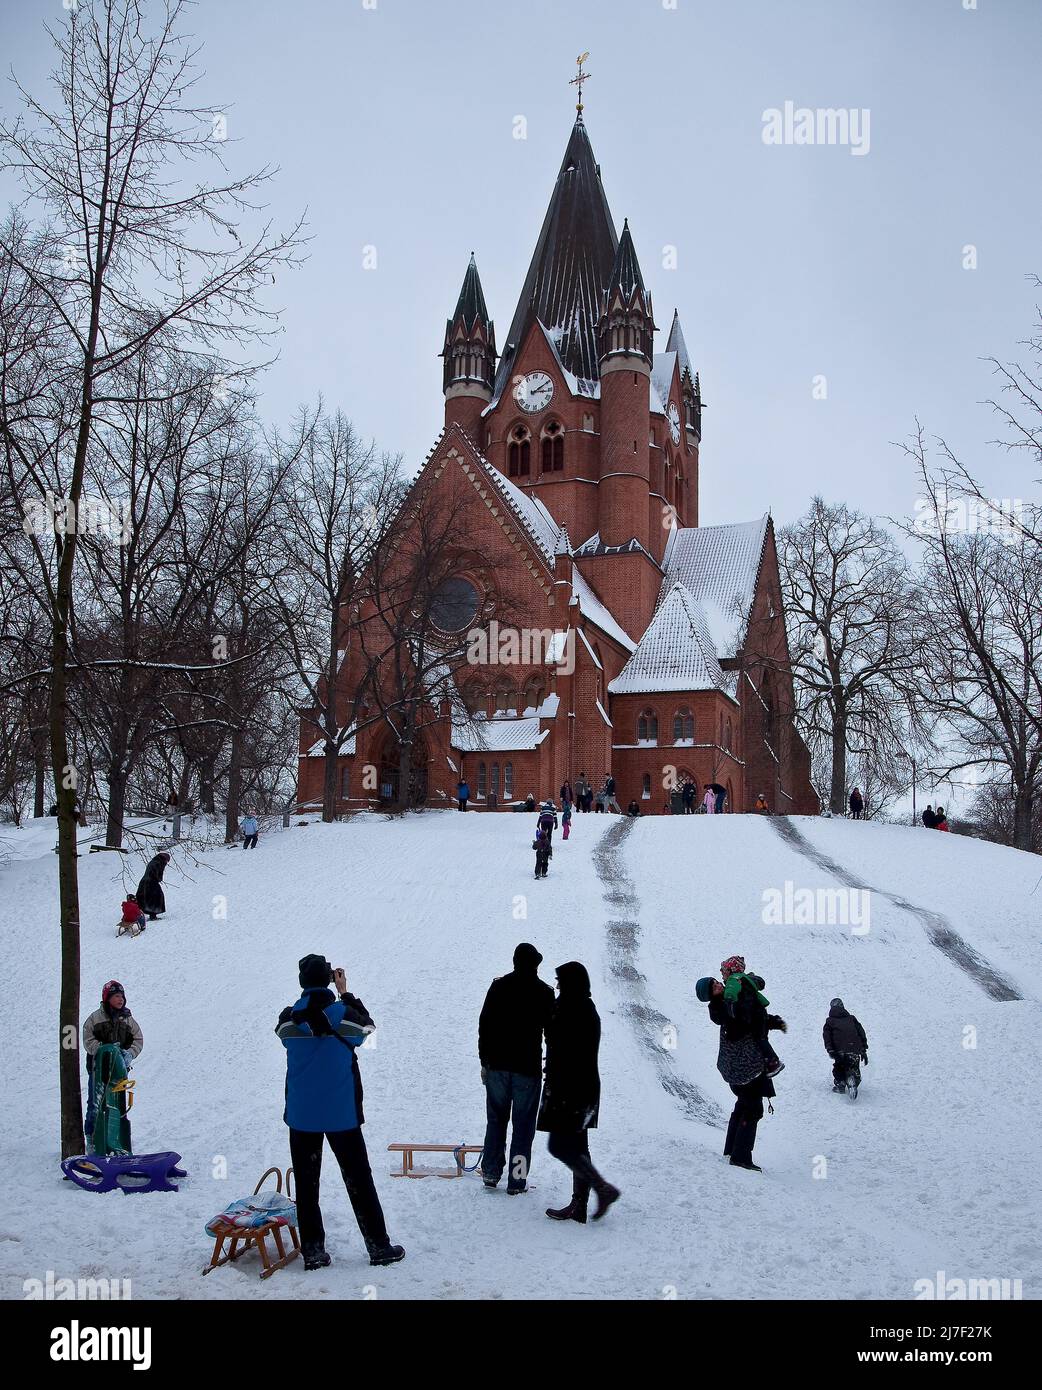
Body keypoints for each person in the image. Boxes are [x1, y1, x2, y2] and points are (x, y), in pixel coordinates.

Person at [276, 954, 404, 1270]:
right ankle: (378, 1247)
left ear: (303, 983)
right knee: (359, 1180)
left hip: (302, 1116)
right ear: (329, 980)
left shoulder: (289, 1021)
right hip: (341, 1114)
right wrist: (345, 992)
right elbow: (367, 1026)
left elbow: (283, 1027)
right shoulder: (344, 1015)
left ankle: (314, 1252)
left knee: (307, 1186)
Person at [539, 961, 620, 1223]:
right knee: (576, 1146)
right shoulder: (579, 1006)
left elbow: (564, 1048)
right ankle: (580, 1204)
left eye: (560, 980)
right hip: (579, 1088)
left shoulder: (574, 1009)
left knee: (560, 1146)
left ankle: (601, 1189)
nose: (557, 984)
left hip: (571, 1089)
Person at [478, 943, 555, 1195]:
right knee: (523, 1127)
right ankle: (517, 1180)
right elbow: (551, 1034)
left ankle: (490, 1173)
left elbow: (484, 1026)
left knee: (496, 1121)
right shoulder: (544, 992)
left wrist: (484, 1061)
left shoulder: (498, 987)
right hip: (527, 1070)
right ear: (536, 965)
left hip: (497, 1067)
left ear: (514, 961)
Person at [696, 974, 785, 1172]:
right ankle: (741, 1157)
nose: (719, 984)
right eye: (714, 986)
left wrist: (771, 1021)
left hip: (736, 1068)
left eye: (716, 982)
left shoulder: (725, 1004)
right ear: (710, 995)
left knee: (742, 1106)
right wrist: (745, 990)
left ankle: (731, 1150)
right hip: (745, 1069)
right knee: (752, 1109)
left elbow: (750, 1020)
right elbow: (744, 1023)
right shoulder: (726, 1006)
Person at [82, 981, 143, 1138]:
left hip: (119, 1071)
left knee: (118, 1105)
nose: (120, 999)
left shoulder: (128, 1019)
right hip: (98, 1070)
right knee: (96, 1103)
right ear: (107, 998)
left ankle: (118, 1140)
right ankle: (92, 1138)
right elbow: (88, 1040)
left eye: (122, 996)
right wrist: (104, 1051)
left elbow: (138, 1039)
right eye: (116, 996)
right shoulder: (95, 1019)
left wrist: (129, 1054)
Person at [720, 955, 784, 1076]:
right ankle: (768, 1063)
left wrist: (729, 1004)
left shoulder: (734, 979)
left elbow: (731, 991)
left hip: (755, 1015)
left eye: (723, 970)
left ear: (731, 970)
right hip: (759, 1013)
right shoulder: (743, 979)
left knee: (759, 1039)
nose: (721, 972)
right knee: (760, 1038)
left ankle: (773, 1062)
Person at [823, 997, 868, 1095]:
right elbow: (861, 1032)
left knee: (839, 1067)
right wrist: (863, 1049)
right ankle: (853, 1079)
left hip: (840, 1050)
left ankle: (841, 1084)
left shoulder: (830, 1021)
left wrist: (830, 1049)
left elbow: (827, 1036)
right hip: (855, 1049)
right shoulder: (851, 1018)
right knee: (853, 1065)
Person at [135, 851, 170, 919]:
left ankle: (136, 912)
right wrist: (159, 878)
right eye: (166, 861)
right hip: (151, 882)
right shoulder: (158, 863)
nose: (166, 863)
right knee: (155, 897)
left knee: (144, 897)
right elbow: (156, 874)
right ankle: (152, 915)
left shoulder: (154, 861)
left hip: (145, 882)